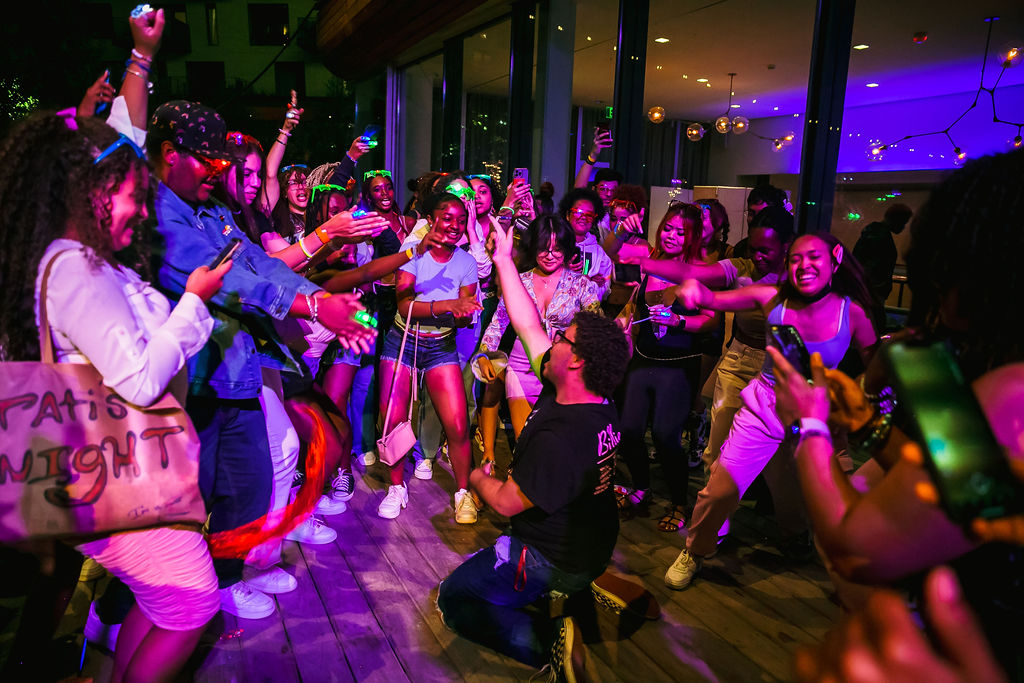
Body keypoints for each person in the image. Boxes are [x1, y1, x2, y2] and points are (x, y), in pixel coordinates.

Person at [769, 148, 1024, 677]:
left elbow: (856, 551)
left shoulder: (1011, 397)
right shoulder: (975, 365)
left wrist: (811, 423)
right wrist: (868, 424)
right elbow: (967, 490)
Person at [0, 110, 228, 683]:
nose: (144, 212)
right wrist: (194, 302)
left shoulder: (65, 259)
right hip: (118, 476)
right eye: (134, 196)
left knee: (161, 606)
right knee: (193, 605)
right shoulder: (77, 265)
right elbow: (140, 381)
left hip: (102, 475)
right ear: (93, 191)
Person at [146, 99, 374, 619]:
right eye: (211, 160)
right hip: (184, 385)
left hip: (234, 373)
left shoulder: (213, 211)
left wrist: (322, 305)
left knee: (247, 491)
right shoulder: (157, 212)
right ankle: (120, 614)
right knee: (178, 513)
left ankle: (225, 580)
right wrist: (315, 304)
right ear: (169, 154)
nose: (220, 172)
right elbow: (229, 282)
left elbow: (259, 264)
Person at [437, 220, 630, 682]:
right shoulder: (589, 399)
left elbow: (505, 502)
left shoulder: (562, 435)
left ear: (576, 360)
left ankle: (550, 642)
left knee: (454, 599)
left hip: (547, 558)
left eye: (562, 338)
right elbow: (525, 323)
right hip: (592, 542)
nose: (552, 339)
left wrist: (478, 476)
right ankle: (580, 588)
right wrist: (503, 258)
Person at [664, 231, 879, 590]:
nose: (804, 265)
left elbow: (875, 361)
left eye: (813, 257)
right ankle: (695, 550)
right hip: (764, 407)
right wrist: (693, 291)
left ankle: (796, 536)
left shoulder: (850, 311)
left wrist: (861, 396)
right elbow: (712, 298)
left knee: (798, 494)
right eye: (795, 258)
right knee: (720, 490)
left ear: (835, 258)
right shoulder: (772, 298)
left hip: (813, 415)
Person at [611, 203, 719, 531]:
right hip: (644, 358)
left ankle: (678, 502)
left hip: (678, 364)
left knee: (664, 435)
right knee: (628, 429)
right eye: (668, 229)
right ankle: (641, 487)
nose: (672, 236)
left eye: (680, 232)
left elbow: (711, 322)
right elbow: (615, 258)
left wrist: (679, 321)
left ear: (693, 237)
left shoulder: (700, 270)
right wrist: (622, 321)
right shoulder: (651, 263)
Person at [376, 191, 482, 521]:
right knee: (393, 420)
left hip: (441, 347)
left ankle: (464, 493)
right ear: (432, 220)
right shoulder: (412, 254)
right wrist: (450, 306)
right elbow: (405, 306)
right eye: (446, 218)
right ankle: (396, 488)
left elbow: (465, 307)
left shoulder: (466, 262)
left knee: (458, 425)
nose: (453, 225)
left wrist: (465, 313)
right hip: (402, 342)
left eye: (460, 220)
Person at [477, 214, 601, 440]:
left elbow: (595, 328)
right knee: (525, 437)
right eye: (544, 248)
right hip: (521, 366)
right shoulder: (518, 281)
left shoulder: (582, 284)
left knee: (556, 438)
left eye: (557, 248)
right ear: (533, 248)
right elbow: (497, 323)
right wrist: (484, 354)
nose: (551, 255)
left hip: (562, 370)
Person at [559, 187, 615, 300]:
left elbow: (604, 292)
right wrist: (565, 271)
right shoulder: (555, 245)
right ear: (567, 215)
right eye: (578, 212)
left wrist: (588, 283)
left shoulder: (599, 253)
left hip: (587, 314)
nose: (583, 218)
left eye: (589, 215)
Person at [852, 202, 913, 303]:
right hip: (873, 294)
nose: (904, 227)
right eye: (904, 222)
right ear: (898, 220)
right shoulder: (882, 238)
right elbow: (875, 269)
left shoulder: (872, 233)